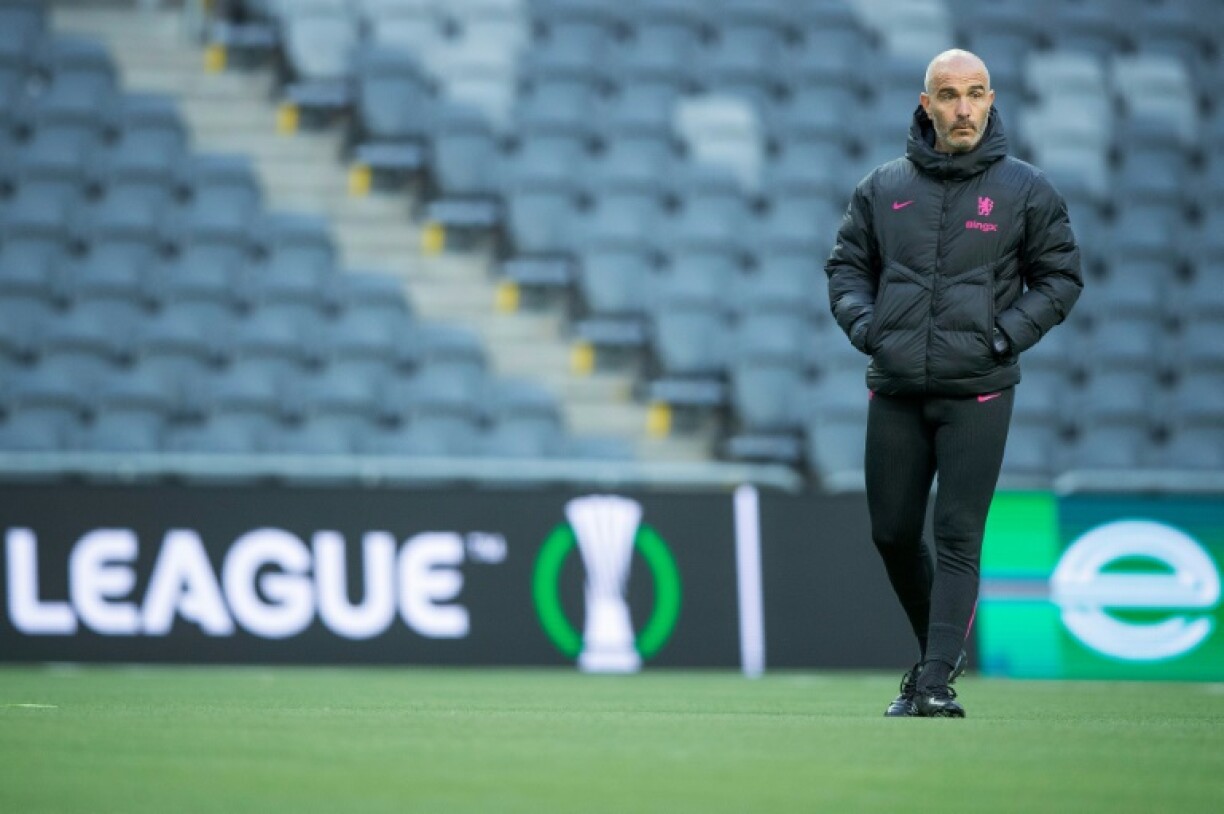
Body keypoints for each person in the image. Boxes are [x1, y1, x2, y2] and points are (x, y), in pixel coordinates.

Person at [825, 49, 1083, 717]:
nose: (963, 108)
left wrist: (1002, 338)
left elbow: (1060, 279)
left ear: (991, 100)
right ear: (926, 104)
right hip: (897, 385)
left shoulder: (1028, 190)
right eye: (948, 95)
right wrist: (869, 329)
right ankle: (937, 652)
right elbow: (846, 268)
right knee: (890, 531)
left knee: (958, 535)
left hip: (980, 391)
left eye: (974, 94)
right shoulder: (882, 188)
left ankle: (934, 679)